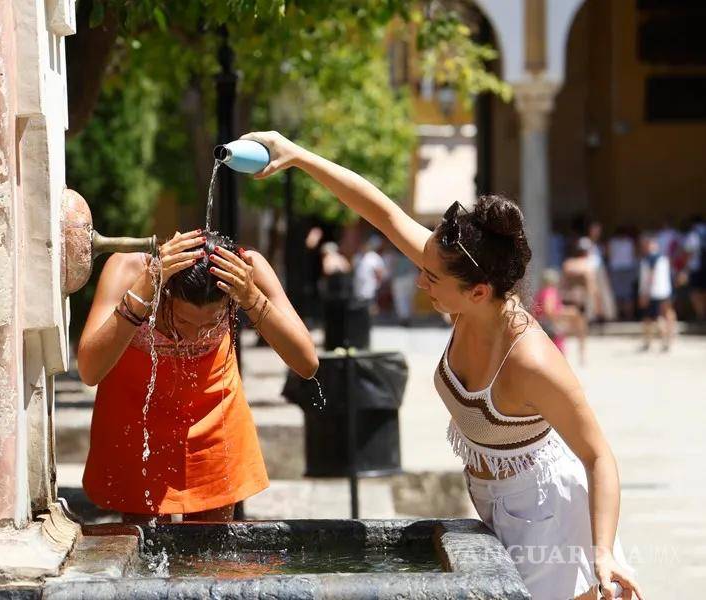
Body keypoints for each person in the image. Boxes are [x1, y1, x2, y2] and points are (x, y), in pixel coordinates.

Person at [241, 131, 642, 600]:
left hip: (548, 514)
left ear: (478, 292)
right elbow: (382, 211)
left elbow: (598, 456)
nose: (419, 279)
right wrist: (299, 156)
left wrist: (603, 550)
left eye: (431, 277)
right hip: (496, 502)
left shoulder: (531, 359)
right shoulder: (462, 276)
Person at [77, 230, 318, 523]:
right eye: (182, 321)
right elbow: (89, 371)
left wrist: (251, 297)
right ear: (166, 293)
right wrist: (146, 286)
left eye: (211, 322)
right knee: (144, 549)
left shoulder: (246, 272)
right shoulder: (131, 270)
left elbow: (307, 363)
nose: (193, 335)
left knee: (211, 557)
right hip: (137, 424)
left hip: (214, 422)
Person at [534, 268, 589, 364]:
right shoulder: (550, 291)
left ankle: (582, 353)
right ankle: (582, 353)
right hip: (548, 325)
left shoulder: (541, 292)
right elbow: (549, 310)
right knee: (580, 321)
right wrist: (566, 314)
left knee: (577, 318)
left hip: (541, 324)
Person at [638, 236, 675, 352]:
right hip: (665, 291)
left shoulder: (651, 258)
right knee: (661, 316)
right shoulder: (664, 258)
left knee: (656, 318)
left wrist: (645, 293)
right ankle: (653, 342)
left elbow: (651, 276)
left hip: (654, 293)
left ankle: (663, 341)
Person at [606, 227, 638, 321]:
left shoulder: (612, 242)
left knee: (618, 295)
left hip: (617, 269)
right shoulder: (629, 242)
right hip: (626, 269)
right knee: (627, 295)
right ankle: (628, 316)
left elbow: (608, 255)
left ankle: (619, 316)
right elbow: (634, 255)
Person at [352, 234, 387, 312]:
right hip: (359, 284)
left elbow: (379, 270)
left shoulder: (374, 257)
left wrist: (379, 282)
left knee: (371, 302)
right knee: (360, 302)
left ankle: (372, 319)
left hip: (370, 284)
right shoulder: (357, 256)